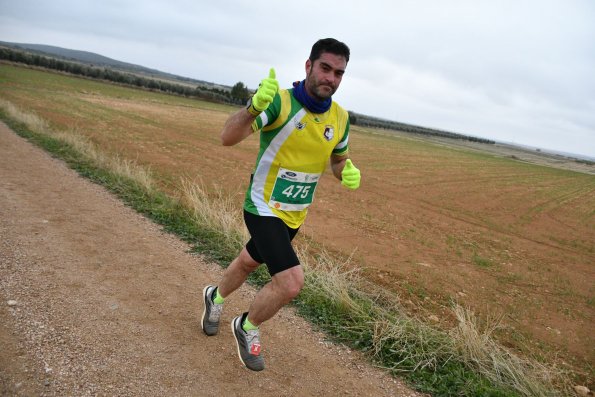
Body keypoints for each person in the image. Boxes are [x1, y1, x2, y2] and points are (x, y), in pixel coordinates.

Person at [201, 38, 361, 371]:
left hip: (294, 215)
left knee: (248, 262)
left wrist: (346, 171)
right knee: (290, 282)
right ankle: (246, 326)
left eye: (339, 73)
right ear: (308, 66)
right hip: (261, 206)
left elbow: (337, 160)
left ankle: (214, 297)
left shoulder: (341, 118)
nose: (330, 78)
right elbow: (227, 137)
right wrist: (252, 108)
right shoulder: (280, 104)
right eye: (325, 68)